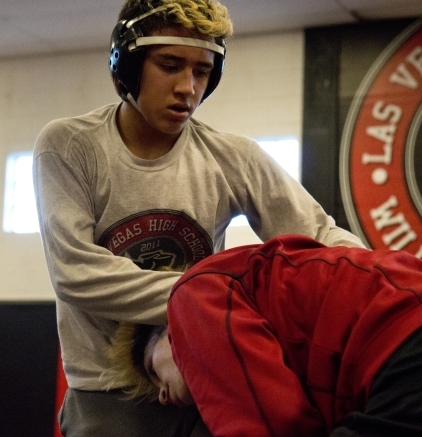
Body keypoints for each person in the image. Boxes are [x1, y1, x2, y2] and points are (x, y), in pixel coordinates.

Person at [32, 0, 364, 435]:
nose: (188, 88)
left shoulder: (233, 157)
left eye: (202, 72)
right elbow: (76, 274)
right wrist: (217, 295)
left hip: (203, 378)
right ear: (126, 67)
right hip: (106, 393)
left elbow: (320, 239)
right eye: (170, 65)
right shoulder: (71, 146)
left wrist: (380, 281)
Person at [110, 234, 422, 437]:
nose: (162, 396)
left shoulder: (190, 296)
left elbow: (272, 427)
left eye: (154, 370)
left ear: (171, 335)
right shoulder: (310, 277)